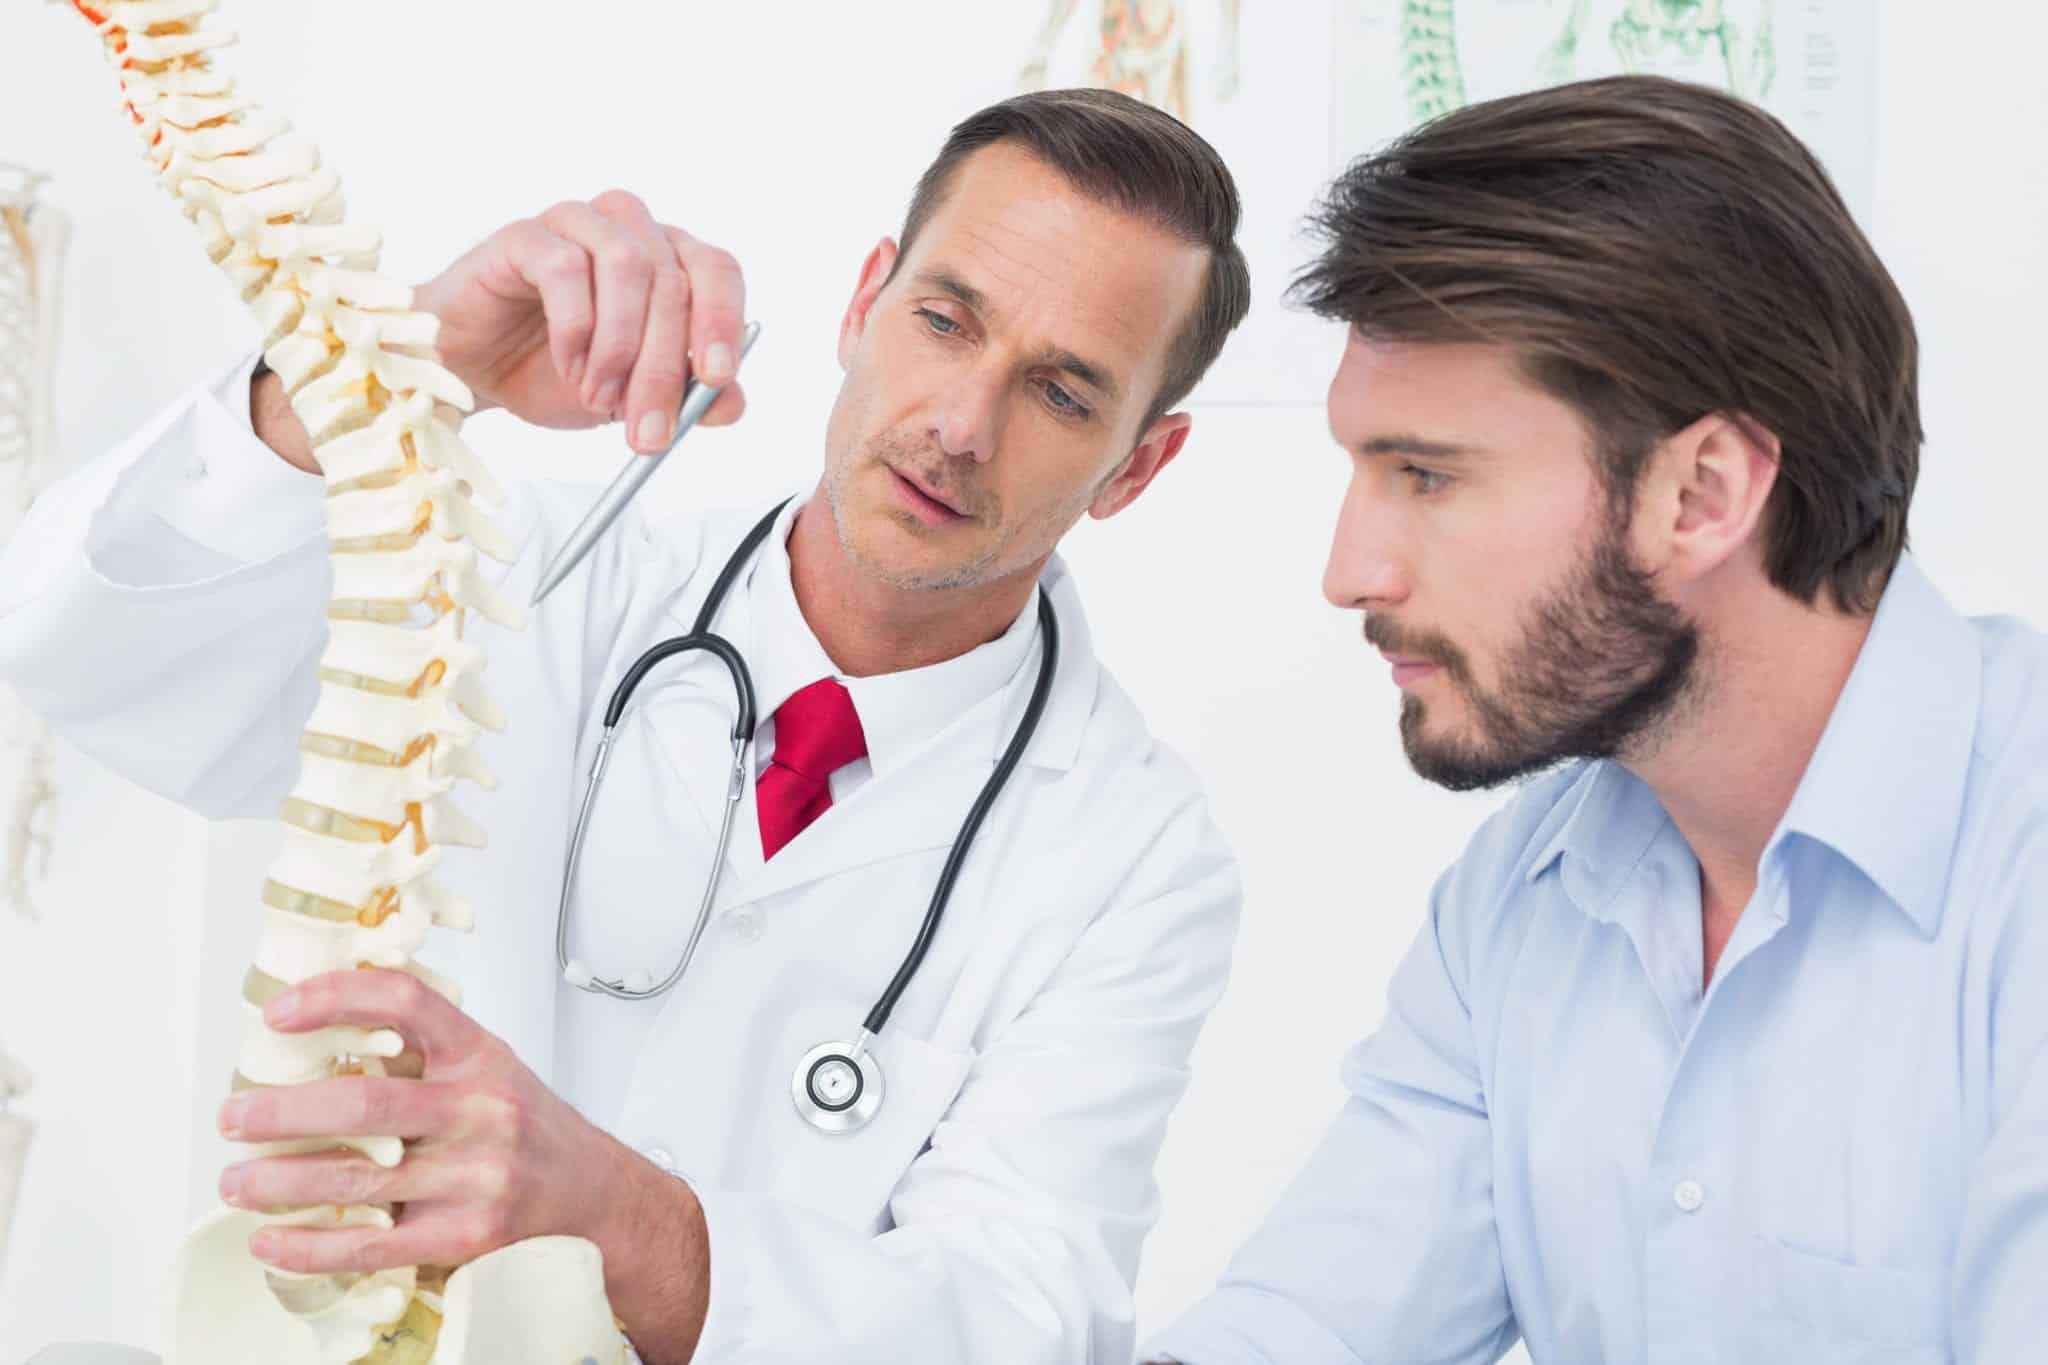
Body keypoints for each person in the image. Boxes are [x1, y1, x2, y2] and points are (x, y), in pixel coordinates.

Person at [0, 88, 1252, 1363]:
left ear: (1137, 467)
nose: (959, 427)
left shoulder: (1136, 860)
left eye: (1058, 394)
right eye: (943, 322)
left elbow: (1019, 1321)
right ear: (862, 301)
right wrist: (393, 373)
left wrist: (626, 1222)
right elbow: (88, 645)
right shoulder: (525, 579)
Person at [1145, 75, 2047, 1363]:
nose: (1350, 572)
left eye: (1424, 475)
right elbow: (1306, 1330)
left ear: (1702, 494)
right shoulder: (1524, 897)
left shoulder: (2019, 872)